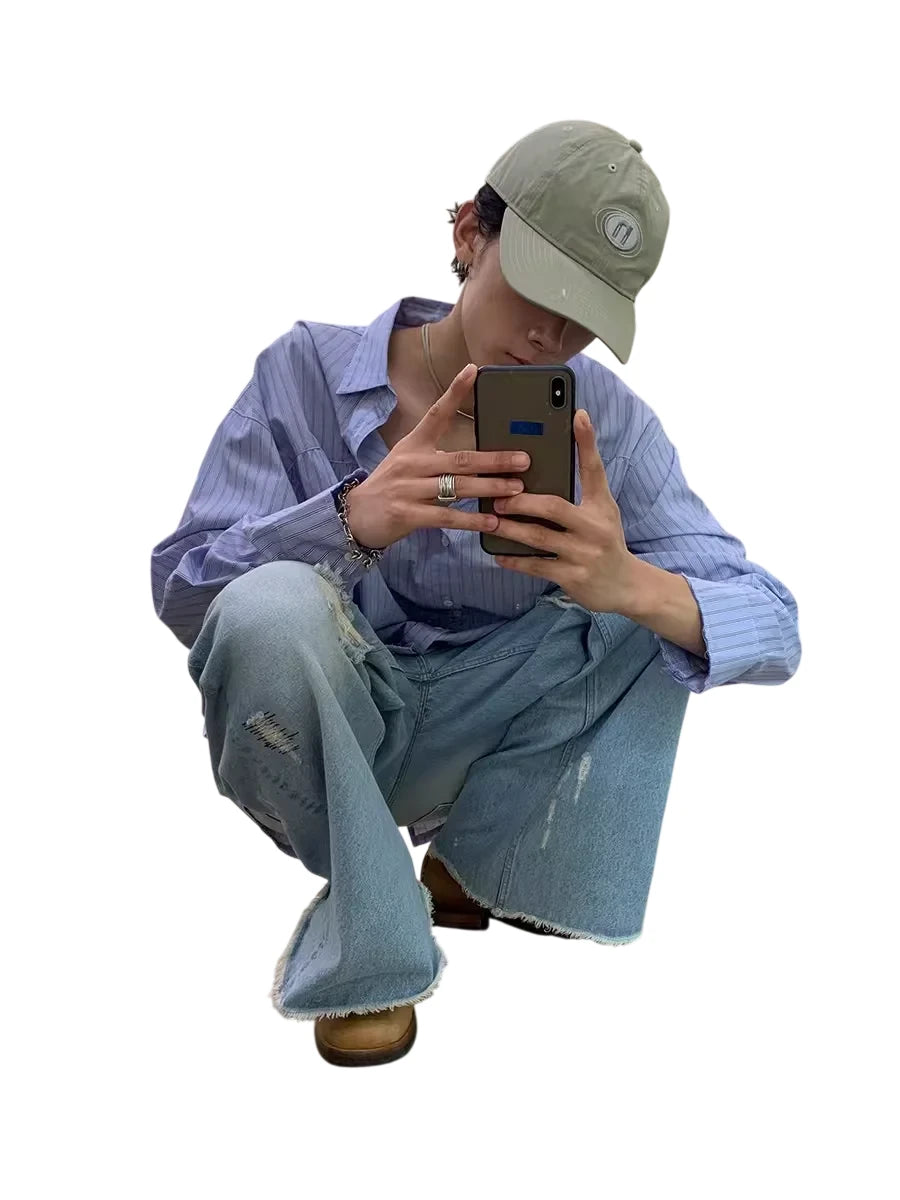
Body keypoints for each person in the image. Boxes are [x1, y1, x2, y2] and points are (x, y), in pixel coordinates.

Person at [150, 120, 801, 1068]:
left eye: (585, 315)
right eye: (540, 290)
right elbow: (184, 596)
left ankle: (484, 855)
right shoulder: (304, 371)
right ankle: (371, 942)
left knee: (657, 609)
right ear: (469, 233)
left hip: (489, 726)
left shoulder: (607, 422)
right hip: (321, 737)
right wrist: (349, 523)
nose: (551, 336)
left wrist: (627, 581)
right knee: (266, 606)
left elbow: (775, 625)